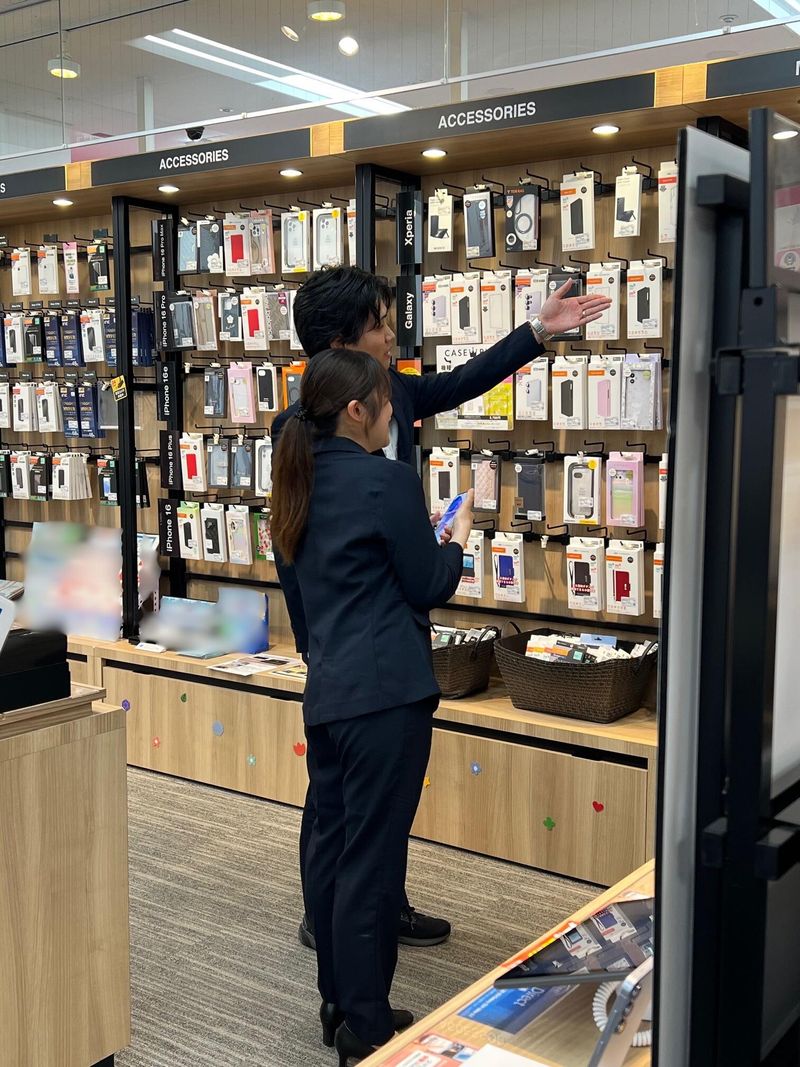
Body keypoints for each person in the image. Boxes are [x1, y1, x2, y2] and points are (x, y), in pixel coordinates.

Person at [272, 266, 611, 950]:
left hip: (393, 635)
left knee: (384, 799)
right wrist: (310, 640)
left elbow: (463, 381)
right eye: (378, 325)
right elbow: (290, 544)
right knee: (335, 801)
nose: (391, 336)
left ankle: (383, 905)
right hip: (344, 647)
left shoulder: (392, 390)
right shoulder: (298, 428)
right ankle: (325, 915)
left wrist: (538, 330)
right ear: (339, 343)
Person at [270, 349, 475, 1064]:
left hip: (329, 693)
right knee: (375, 861)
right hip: (388, 695)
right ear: (358, 411)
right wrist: (456, 543)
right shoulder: (386, 482)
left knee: (333, 849)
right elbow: (428, 583)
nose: (396, 413)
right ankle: (365, 1022)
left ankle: (339, 1002)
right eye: (387, 402)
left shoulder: (296, 483)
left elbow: (304, 599)